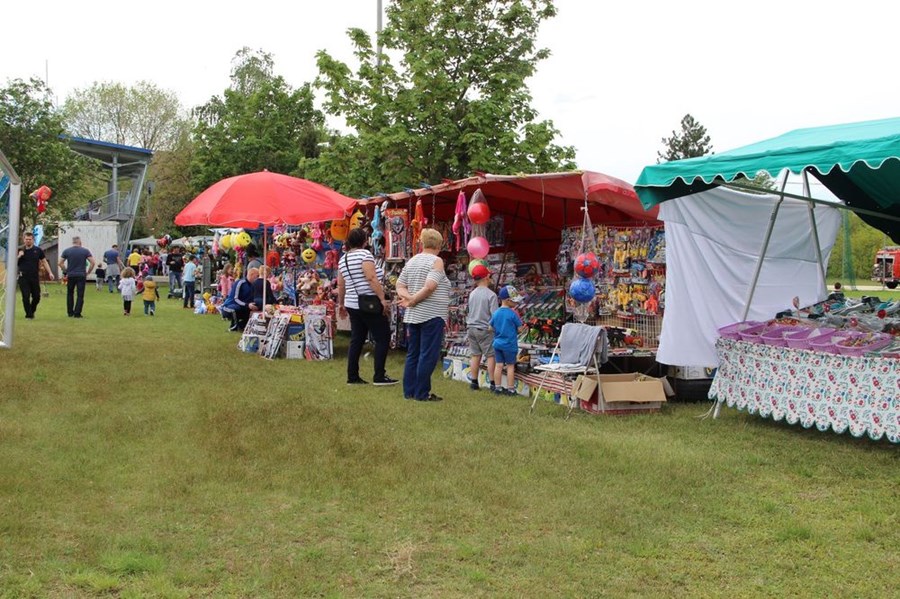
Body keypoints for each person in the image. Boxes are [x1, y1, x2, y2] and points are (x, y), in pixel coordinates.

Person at [337, 227, 397, 386]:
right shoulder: (365, 255)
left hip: (352, 302)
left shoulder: (343, 259)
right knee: (383, 337)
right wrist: (382, 299)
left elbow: (341, 284)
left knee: (357, 339)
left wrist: (341, 303)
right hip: (368, 302)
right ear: (364, 240)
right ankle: (379, 375)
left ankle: (352, 376)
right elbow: (371, 278)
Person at [396, 228, 451, 401]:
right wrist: (413, 300)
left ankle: (409, 391)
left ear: (422, 242)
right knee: (428, 355)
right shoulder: (436, 261)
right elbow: (430, 286)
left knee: (413, 354)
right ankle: (422, 393)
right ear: (439, 245)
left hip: (414, 315)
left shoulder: (412, 261)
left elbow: (399, 285)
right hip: (432, 314)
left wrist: (409, 298)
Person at [466, 264, 498, 392]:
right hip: (485, 328)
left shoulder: (472, 294)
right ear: (486, 277)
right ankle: (493, 383)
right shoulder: (491, 295)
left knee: (475, 355)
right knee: (491, 356)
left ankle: (474, 382)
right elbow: (495, 315)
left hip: (471, 327)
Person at [490, 285, 525, 396]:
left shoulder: (496, 313)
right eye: (515, 301)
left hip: (497, 343)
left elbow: (490, 327)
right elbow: (520, 329)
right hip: (510, 344)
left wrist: (498, 330)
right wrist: (520, 330)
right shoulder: (513, 313)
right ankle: (511, 389)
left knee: (499, 365)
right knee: (510, 366)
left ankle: (498, 387)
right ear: (508, 300)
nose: (516, 303)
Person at [16, 230, 54, 319]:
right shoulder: (19, 249)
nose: (28, 241)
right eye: (26, 239)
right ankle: (29, 315)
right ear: (23, 239)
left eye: (30, 239)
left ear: (33, 240)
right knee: (25, 297)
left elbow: (44, 261)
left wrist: (50, 272)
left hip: (34, 276)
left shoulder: (38, 250)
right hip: (23, 276)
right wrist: (19, 256)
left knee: (36, 297)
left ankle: (31, 311)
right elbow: (12, 262)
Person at [58, 236, 95, 318]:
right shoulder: (85, 251)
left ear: (73, 242)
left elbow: (60, 263)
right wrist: (88, 272)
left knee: (70, 293)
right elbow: (92, 262)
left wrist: (65, 271)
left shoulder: (67, 251)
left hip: (71, 275)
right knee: (80, 294)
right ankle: (77, 313)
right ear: (80, 242)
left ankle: (70, 312)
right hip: (81, 275)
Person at [222, 267, 259, 331]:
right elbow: (235, 299)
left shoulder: (253, 285)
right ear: (252, 274)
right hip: (229, 306)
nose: (257, 278)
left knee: (252, 312)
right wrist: (247, 305)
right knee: (235, 309)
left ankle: (241, 326)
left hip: (243, 307)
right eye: (257, 276)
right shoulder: (240, 283)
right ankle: (233, 327)